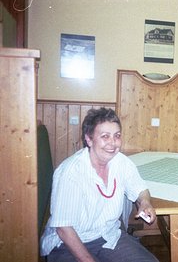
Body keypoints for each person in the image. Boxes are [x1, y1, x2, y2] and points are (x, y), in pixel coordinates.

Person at [40, 108, 159, 262]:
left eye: (117, 136)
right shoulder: (70, 171)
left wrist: (144, 202)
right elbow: (64, 229)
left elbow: (140, 188)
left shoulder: (121, 162)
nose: (112, 143)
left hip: (108, 237)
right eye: (105, 136)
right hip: (68, 243)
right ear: (89, 139)